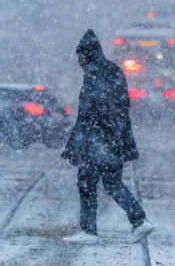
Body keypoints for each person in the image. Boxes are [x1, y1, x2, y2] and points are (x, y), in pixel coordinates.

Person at [61, 29, 155, 244]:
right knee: (113, 183)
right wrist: (116, 134)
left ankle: (88, 231)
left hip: (97, 141)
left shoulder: (93, 74)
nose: (80, 61)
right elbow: (123, 104)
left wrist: (90, 139)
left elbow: (89, 111)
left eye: (81, 56)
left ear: (88, 55)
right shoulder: (114, 70)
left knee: (86, 182)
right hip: (116, 138)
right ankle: (140, 221)